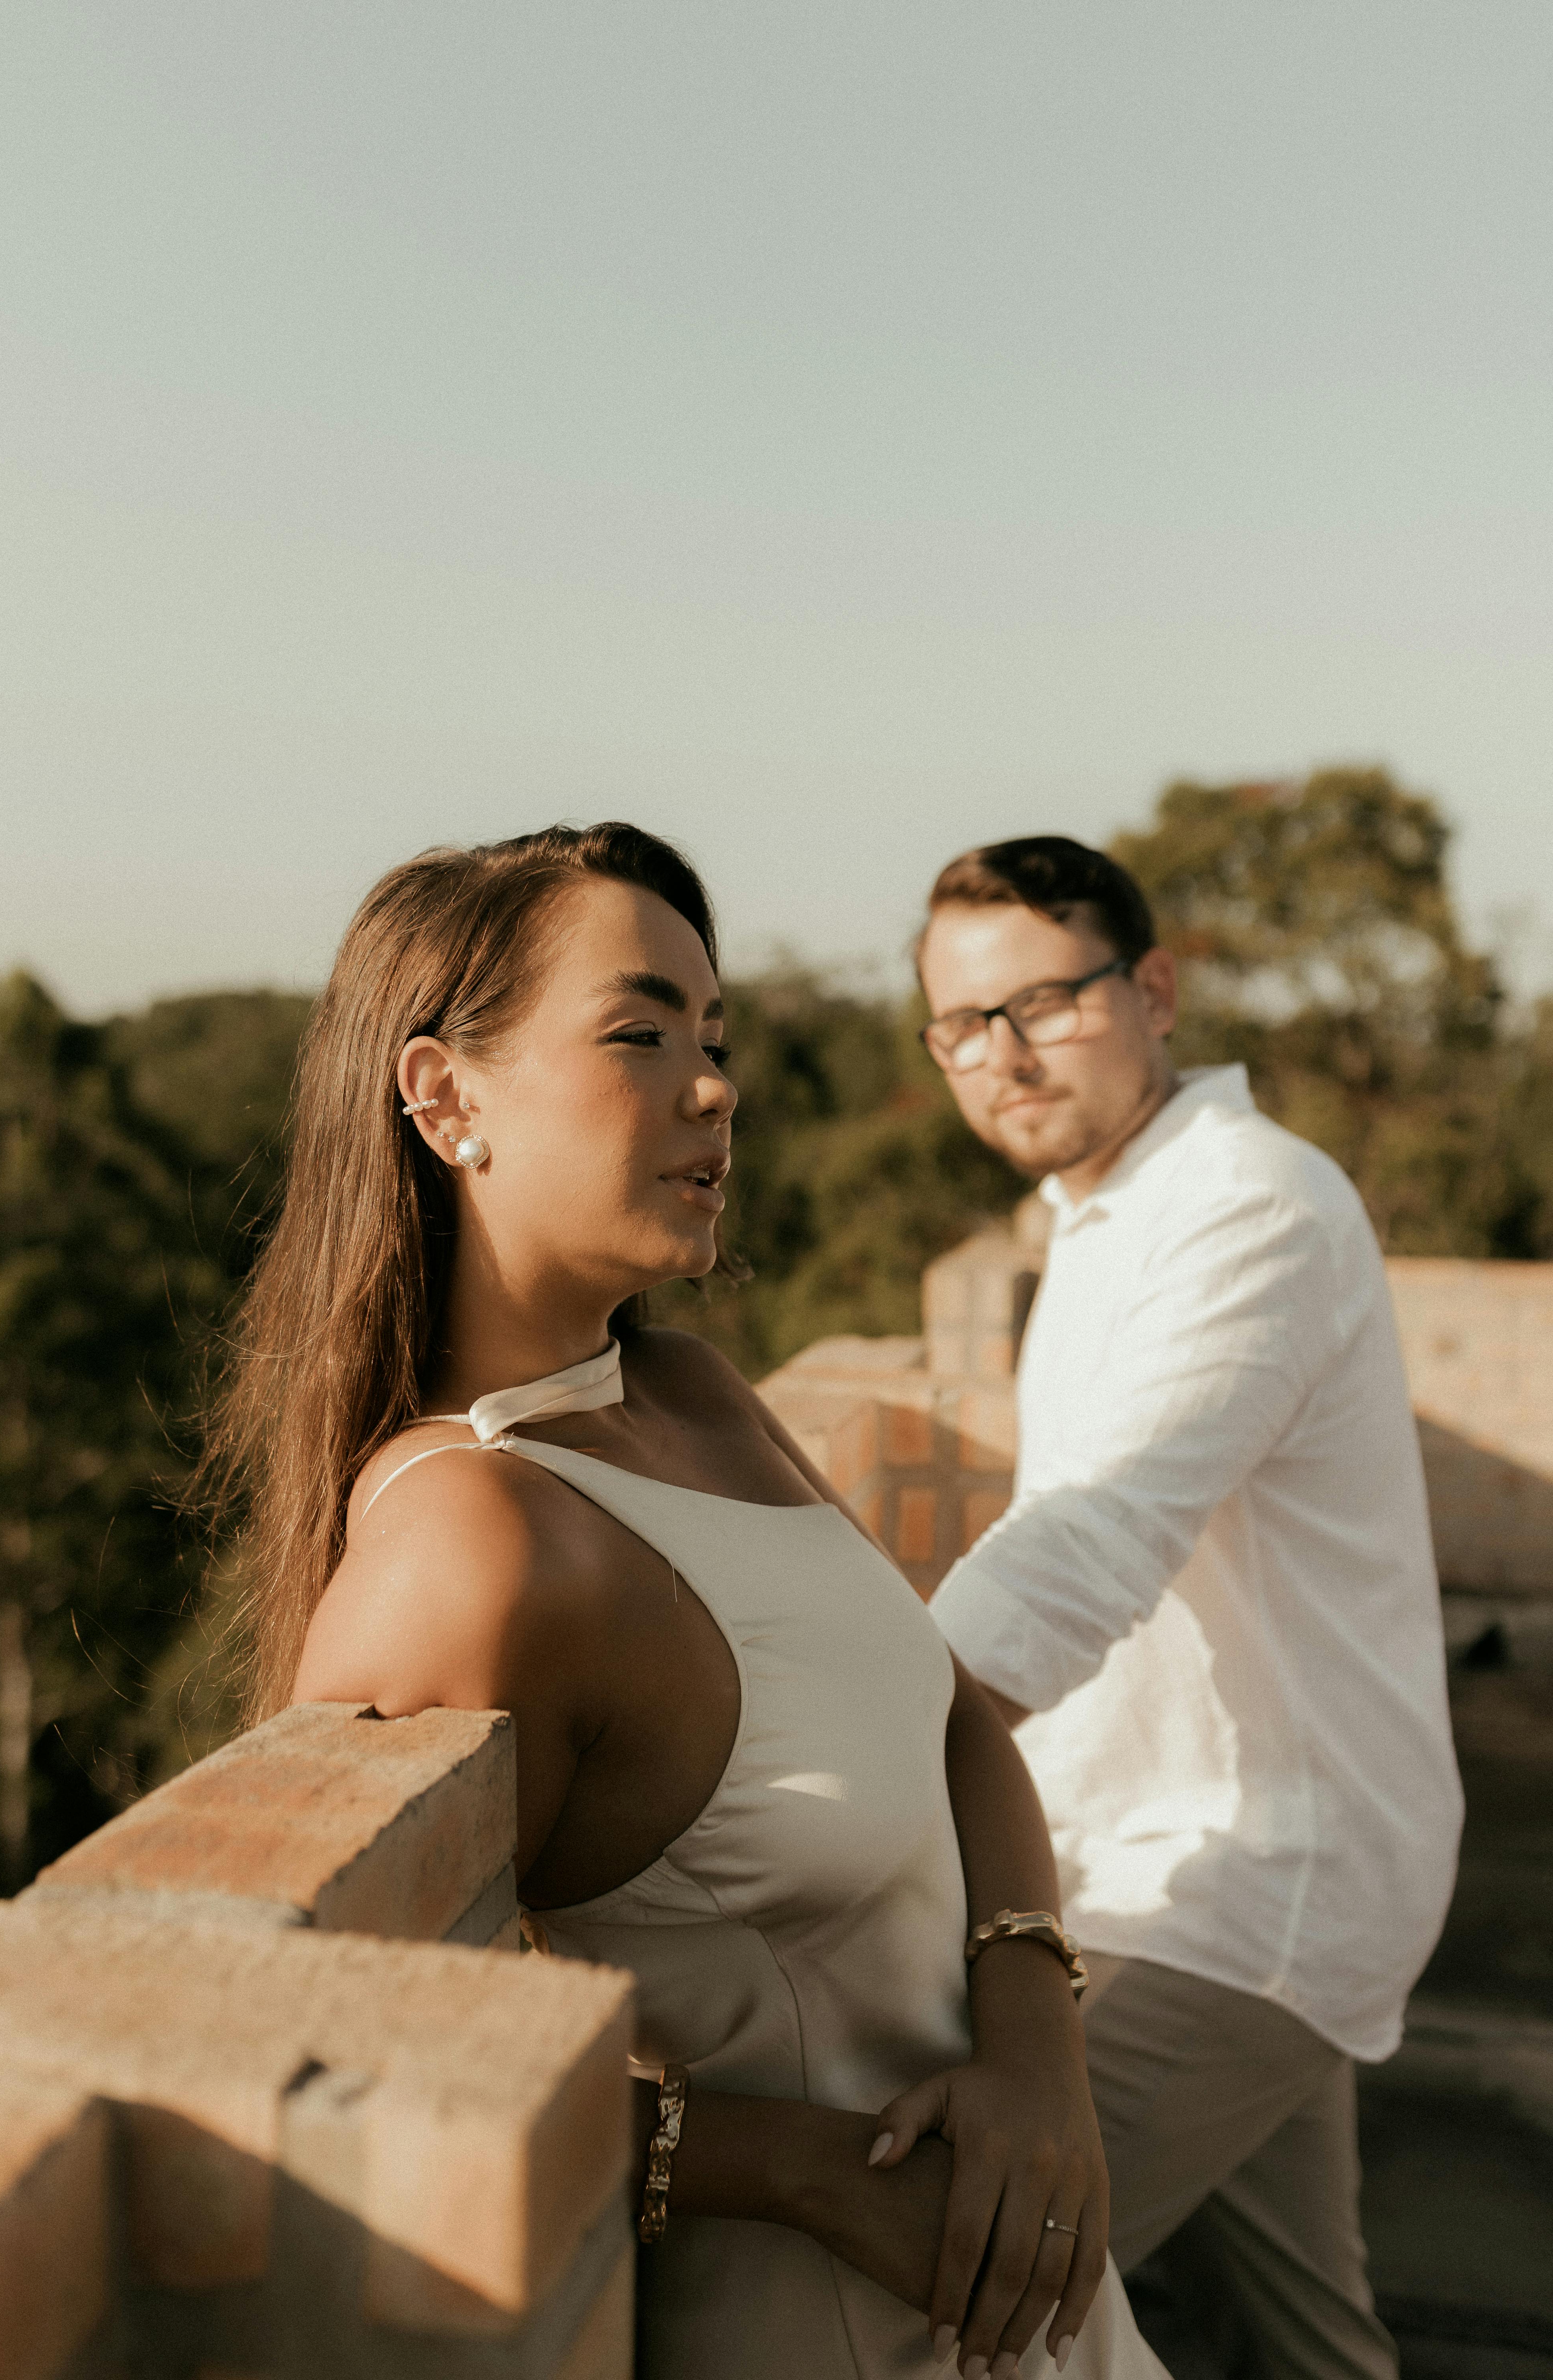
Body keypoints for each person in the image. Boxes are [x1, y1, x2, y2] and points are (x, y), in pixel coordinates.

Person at [202, 823, 1169, 2380]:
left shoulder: (698, 1395)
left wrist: (1037, 2052)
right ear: (446, 1100)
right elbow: (337, 2069)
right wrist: (787, 2168)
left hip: (1050, 2314)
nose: (714, 1086)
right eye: (640, 1035)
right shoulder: (477, 1544)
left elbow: (955, 1726)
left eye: (714, 1041)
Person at [918, 836, 1463, 2380]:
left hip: (1248, 1881)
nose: (998, 1056)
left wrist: (834, 1751)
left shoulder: (1248, 1209)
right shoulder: (1097, 1213)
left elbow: (1083, 1546)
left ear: (1152, 990)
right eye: (959, 1024)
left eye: (1041, 1001)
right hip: (1196, 1858)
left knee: (943, 2319)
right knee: (1309, 2342)